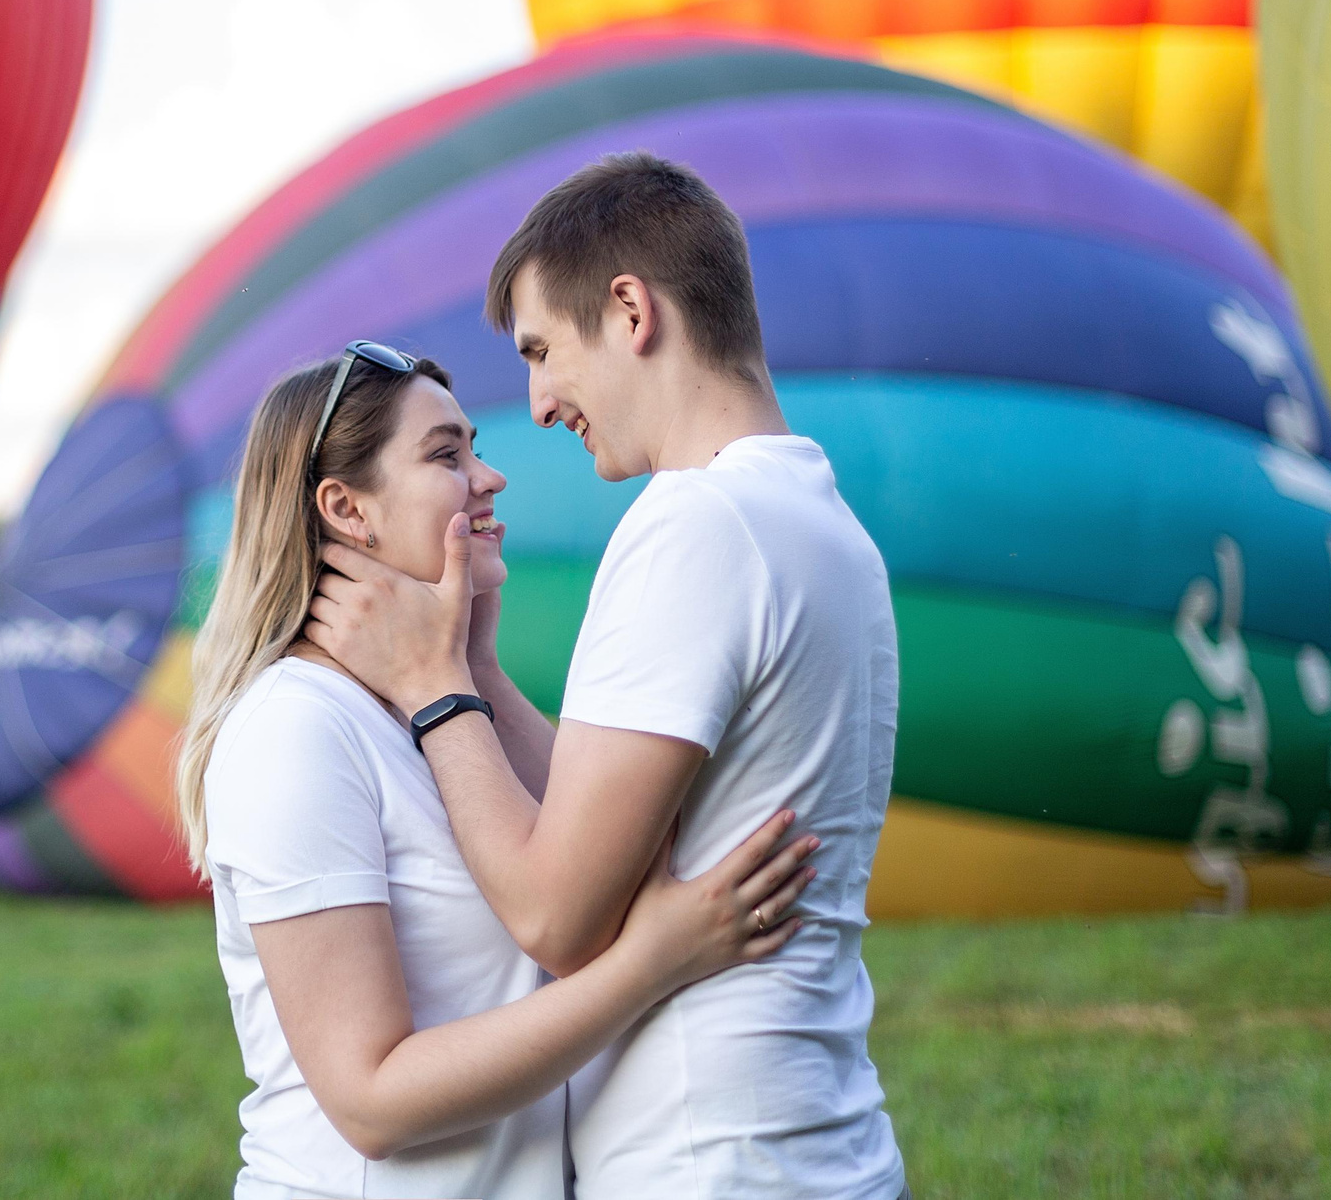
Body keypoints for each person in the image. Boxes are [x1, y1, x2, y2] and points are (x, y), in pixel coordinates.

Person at [306, 153, 907, 1198]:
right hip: (819, 1142)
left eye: (542, 351)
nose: (538, 405)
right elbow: (617, 818)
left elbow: (555, 914)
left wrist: (434, 686)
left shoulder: (694, 522)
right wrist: (484, 672)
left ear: (629, 310)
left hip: (710, 1163)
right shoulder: (825, 526)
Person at [176, 345, 824, 1200]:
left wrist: (471, 666)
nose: (491, 477)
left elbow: (615, 862)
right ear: (347, 509)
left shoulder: (440, 708)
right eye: (447, 455)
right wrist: (651, 963)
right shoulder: (295, 728)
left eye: (474, 448)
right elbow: (371, 1099)